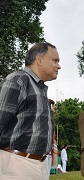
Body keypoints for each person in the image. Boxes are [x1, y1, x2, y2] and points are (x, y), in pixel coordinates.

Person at [0, 42, 61, 180]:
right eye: (55, 60)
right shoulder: (17, 80)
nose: (59, 66)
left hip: (39, 165)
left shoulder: (40, 88)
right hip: (16, 164)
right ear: (39, 60)